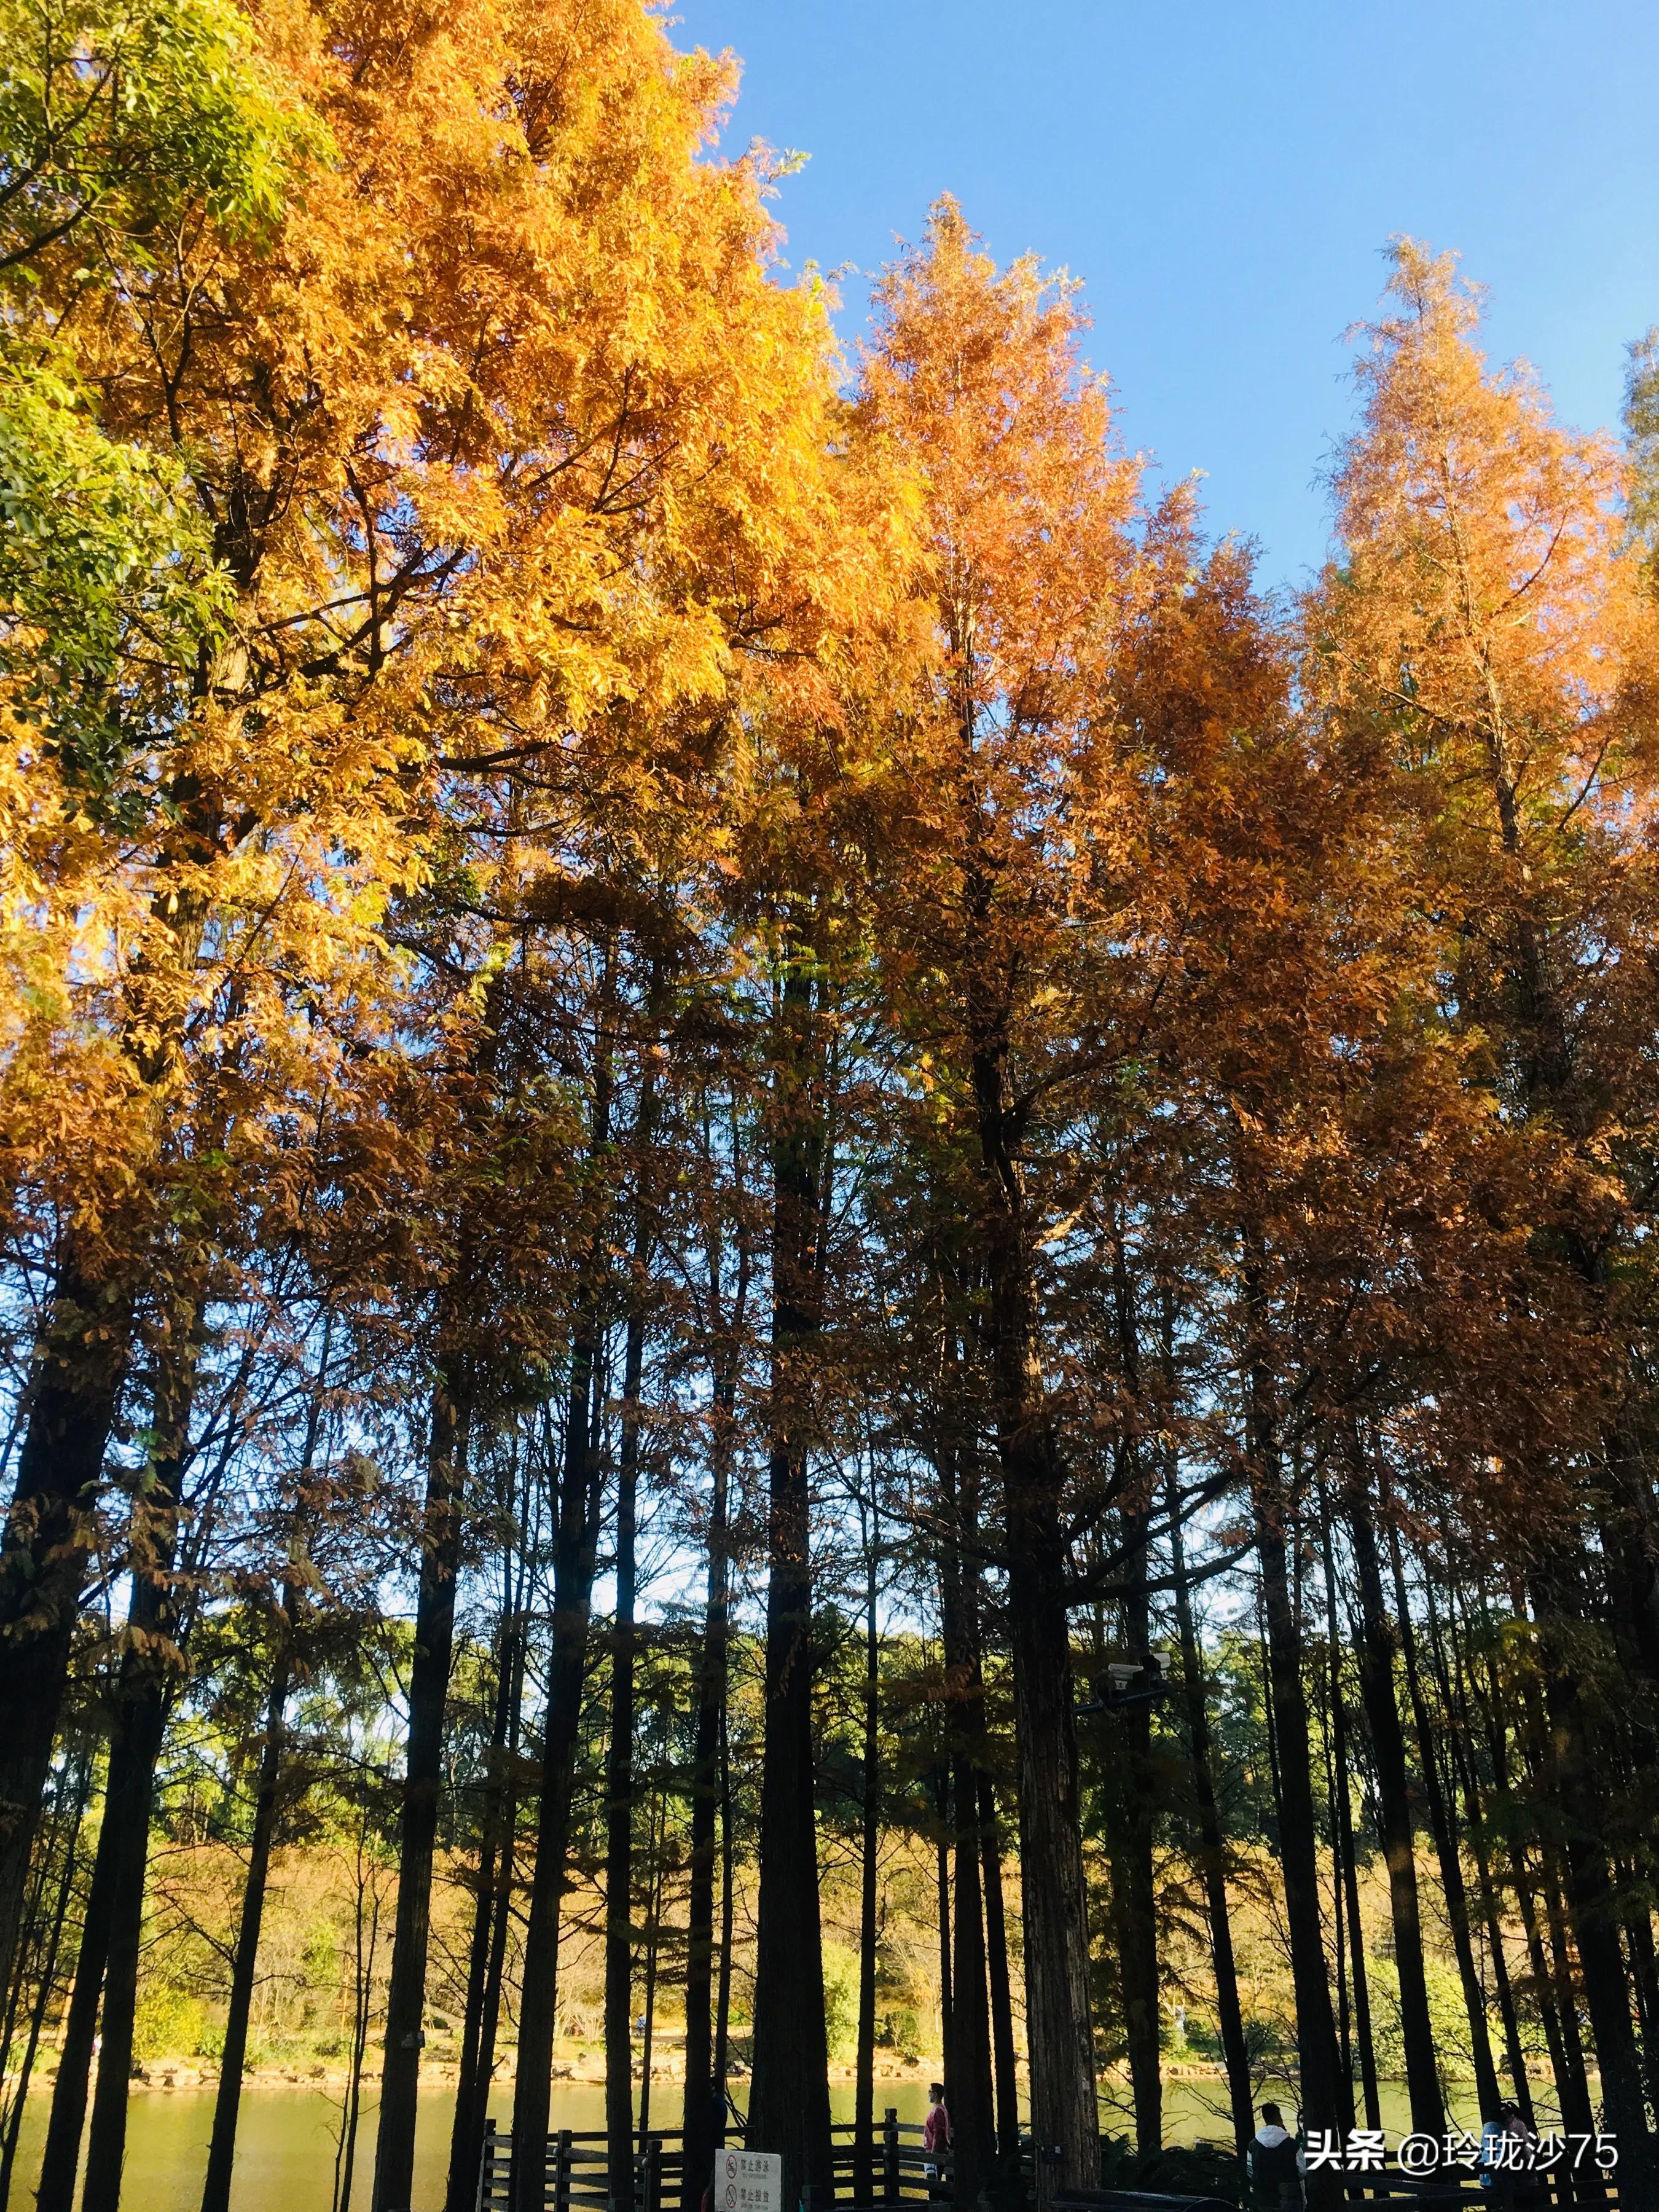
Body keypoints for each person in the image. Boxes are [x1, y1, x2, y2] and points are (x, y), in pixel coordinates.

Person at [1249, 2103, 1304, 2209]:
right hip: (1288, 2199)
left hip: (1263, 2200)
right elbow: (1302, 2171)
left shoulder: (1253, 2146)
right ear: (1278, 2117)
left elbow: (1250, 2171)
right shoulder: (1292, 2145)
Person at [924, 2083, 951, 2192]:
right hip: (934, 2150)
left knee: (934, 2181)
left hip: (935, 2152)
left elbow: (938, 2133)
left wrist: (934, 2153)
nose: (929, 2094)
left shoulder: (938, 2111)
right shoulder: (938, 2109)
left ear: (935, 2094)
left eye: (930, 2092)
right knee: (934, 2181)